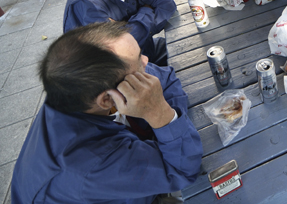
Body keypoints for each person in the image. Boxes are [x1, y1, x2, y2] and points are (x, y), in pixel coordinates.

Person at [11, 22, 203, 204]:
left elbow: (166, 78)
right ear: (107, 99)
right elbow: (182, 170)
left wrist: (165, 116)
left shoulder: (79, 90)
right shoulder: (92, 162)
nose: (146, 60)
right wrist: (160, 114)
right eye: (138, 61)